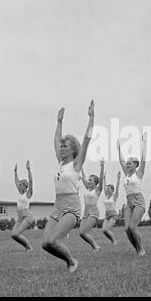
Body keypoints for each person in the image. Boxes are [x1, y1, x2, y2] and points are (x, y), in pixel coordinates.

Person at [41, 101, 94, 273]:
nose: (61, 148)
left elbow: (86, 139)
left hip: (71, 207)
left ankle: (72, 262)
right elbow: (56, 139)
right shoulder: (61, 163)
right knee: (45, 244)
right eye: (61, 146)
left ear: (73, 149)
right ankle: (69, 261)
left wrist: (91, 118)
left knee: (53, 241)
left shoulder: (77, 164)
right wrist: (59, 122)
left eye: (65, 146)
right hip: (58, 206)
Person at [117, 132, 147, 256]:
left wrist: (144, 142)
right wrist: (118, 148)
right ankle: (137, 249)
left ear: (136, 165)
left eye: (130, 162)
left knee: (133, 227)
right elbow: (121, 160)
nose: (127, 163)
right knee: (127, 229)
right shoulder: (127, 174)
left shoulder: (138, 173)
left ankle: (141, 249)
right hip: (129, 202)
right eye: (127, 162)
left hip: (139, 201)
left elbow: (144, 158)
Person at [79, 159, 104, 251]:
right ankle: (95, 246)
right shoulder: (88, 188)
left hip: (94, 212)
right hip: (85, 212)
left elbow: (101, 179)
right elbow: (83, 176)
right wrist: (80, 165)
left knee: (84, 232)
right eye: (88, 180)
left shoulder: (97, 190)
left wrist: (102, 166)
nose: (88, 181)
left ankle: (95, 246)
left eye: (90, 180)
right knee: (81, 233)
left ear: (95, 182)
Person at [11, 160, 34, 251]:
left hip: (27, 216)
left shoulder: (28, 194)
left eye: (20, 185)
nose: (18, 186)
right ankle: (27, 247)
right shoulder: (21, 194)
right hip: (20, 217)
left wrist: (28, 169)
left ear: (24, 186)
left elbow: (31, 181)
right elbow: (16, 181)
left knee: (17, 234)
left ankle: (29, 247)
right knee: (13, 235)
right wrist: (15, 172)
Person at [102, 170, 121, 245]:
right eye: (107, 188)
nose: (107, 189)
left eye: (109, 188)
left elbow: (117, 188)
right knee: (103, 230)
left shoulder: (114, 196)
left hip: (113, 215)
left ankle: (114, 241)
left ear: (112, 190)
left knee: (107, 229)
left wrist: (118, 179)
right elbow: (104, 186)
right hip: (107, 214)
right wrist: (104, 178)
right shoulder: (106, 196)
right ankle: (112, 241)